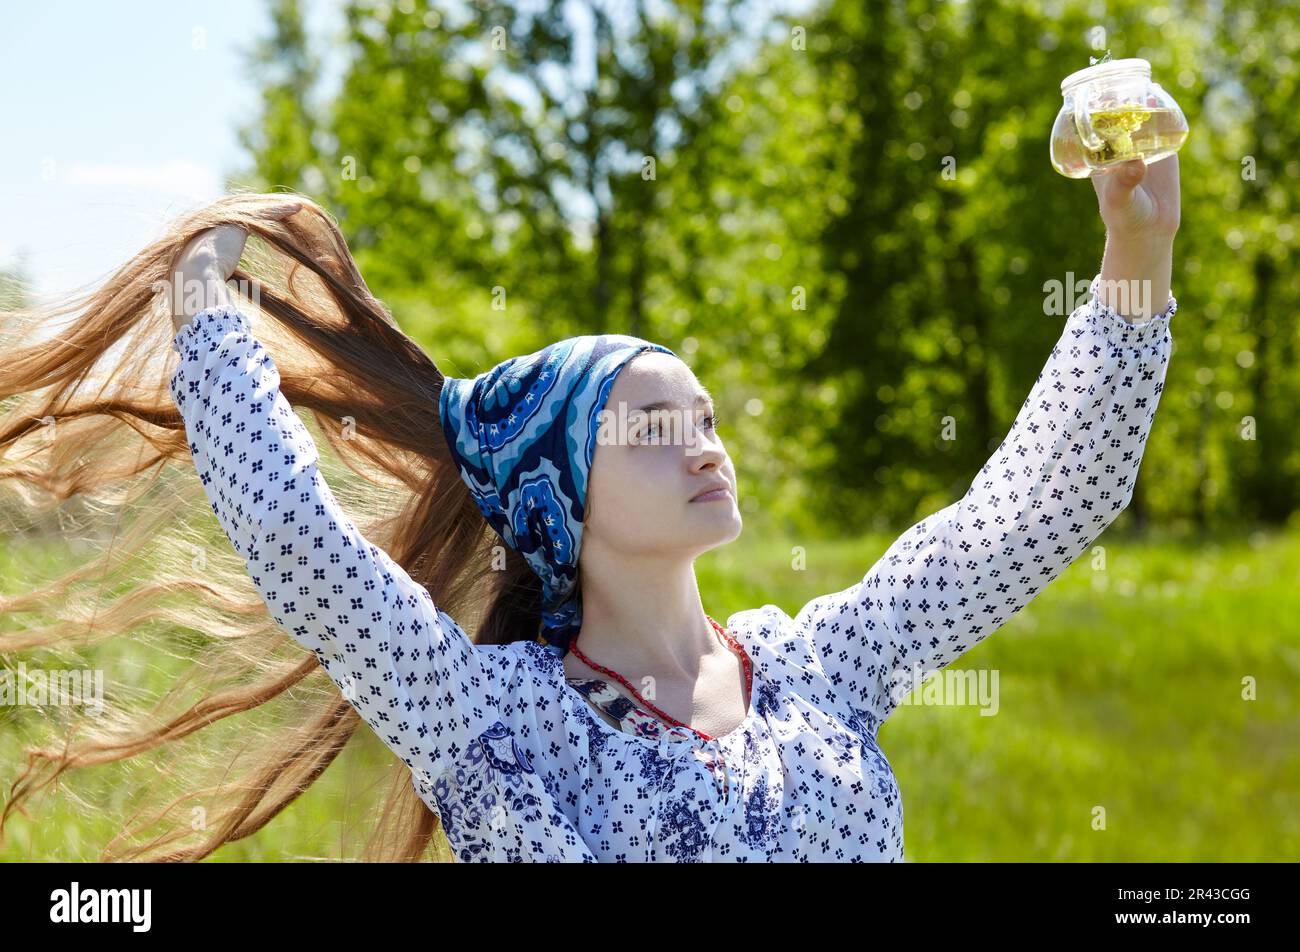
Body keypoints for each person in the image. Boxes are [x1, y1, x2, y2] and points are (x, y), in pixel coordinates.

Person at [0, 155, 1178, 861]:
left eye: (706, 416)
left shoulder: (821, 667)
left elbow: (1034, 511)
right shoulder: (495, 721)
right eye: (655, 430)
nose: (705, 447)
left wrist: (1135, 247)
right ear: (562, 498)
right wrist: (209, 310)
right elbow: (301, 546)